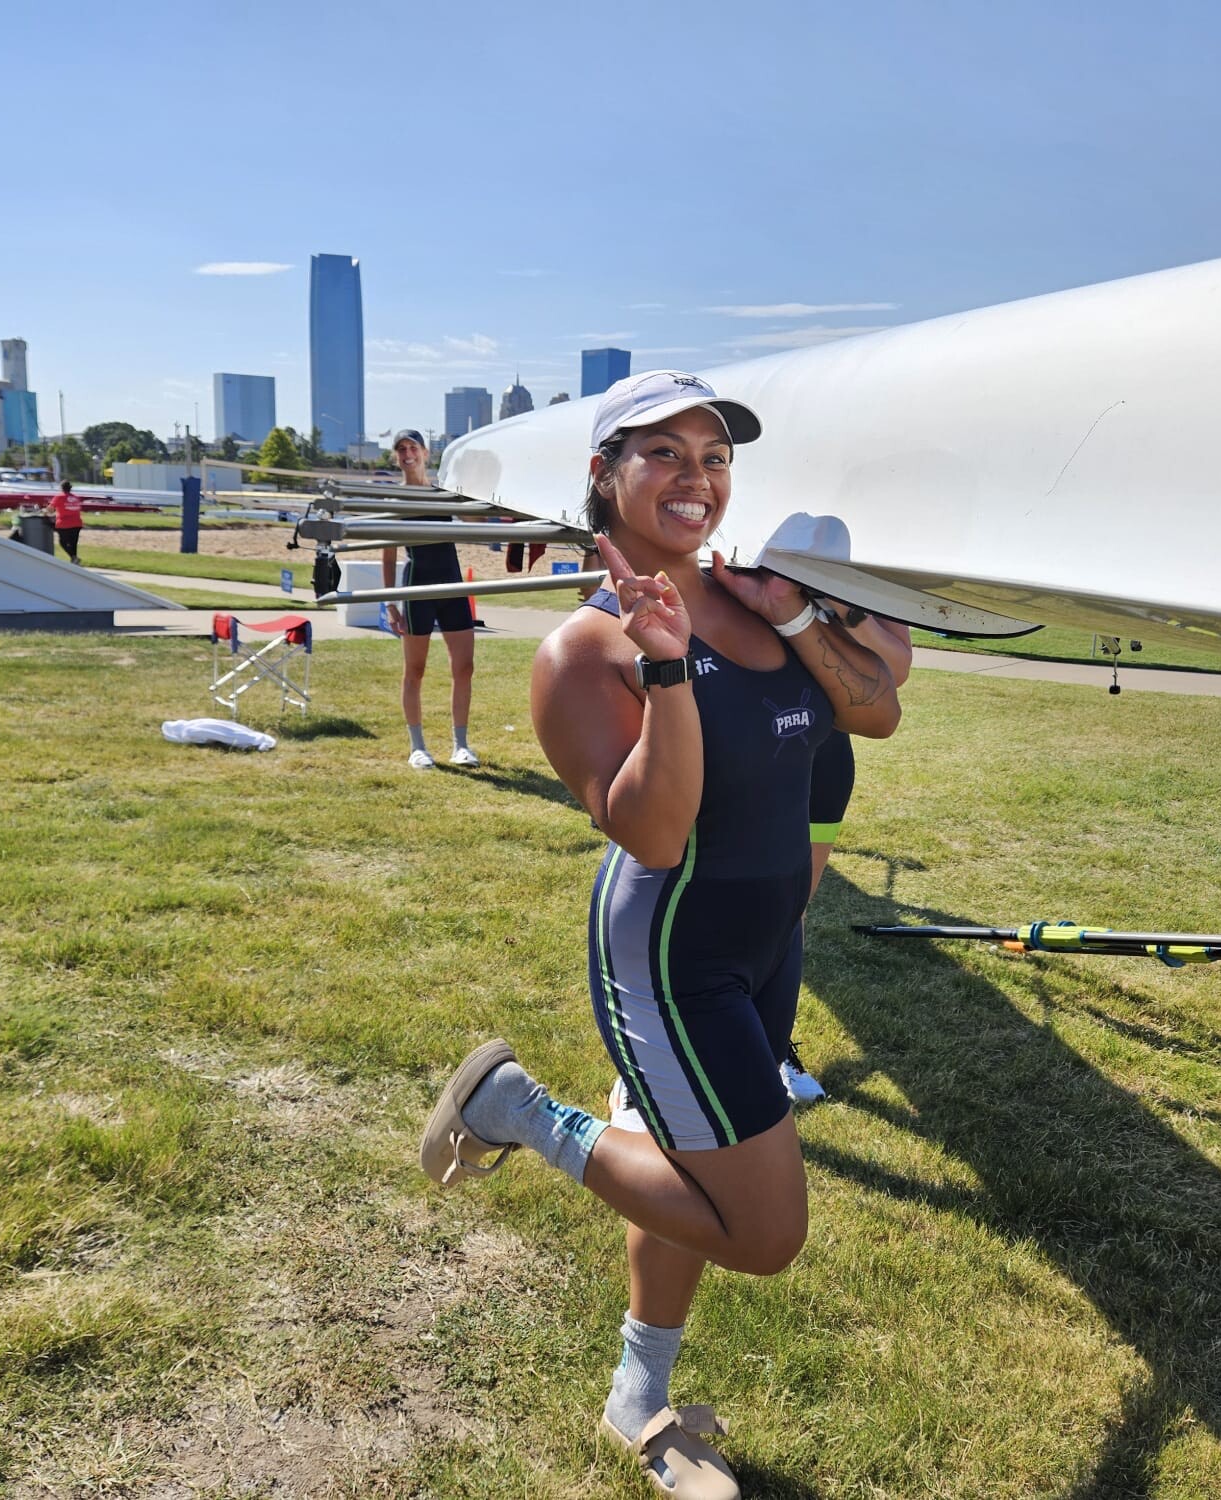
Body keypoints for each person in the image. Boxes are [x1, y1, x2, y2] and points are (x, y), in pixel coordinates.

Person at [417, 370, 902, 1499]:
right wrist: (670, 665)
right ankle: (516, 1111)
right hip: (673, 957)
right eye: (665, 455)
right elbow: (653, 828)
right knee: (762, 1230)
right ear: (605, 476)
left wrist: (786, 616)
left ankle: (639, 1397)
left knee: (677, 1169)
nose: (697, 480)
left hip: (769, 938)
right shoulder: (581, 652)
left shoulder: (753, 598)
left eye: (715, 458)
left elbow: (870, 710)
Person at [781, 604, 915, 1103]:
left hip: (824, 756)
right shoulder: (740, 550)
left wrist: (848, 611)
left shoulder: (864, 570)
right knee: (706, 902)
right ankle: (655, 1057)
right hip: (745, 746)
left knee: (789, 914)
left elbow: (895, 670)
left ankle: (774, 1047)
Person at [381, 430, 478, 769]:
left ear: (425, 452)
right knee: (415, 669)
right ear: (397, 457)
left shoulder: (444, 491)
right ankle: (418, 747)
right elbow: (389, 555)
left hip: (451, 583)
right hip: (416, 586)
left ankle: (461, 745)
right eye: (401, 449)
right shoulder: (396, 501)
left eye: (413, 448)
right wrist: (391, 604)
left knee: (464, 667)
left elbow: (473, 519)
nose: (408, 454)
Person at [49, 479, 84, 564]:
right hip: (77, 523)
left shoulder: (59, 497)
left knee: (62, 542)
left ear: (62, 488)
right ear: (70, 488)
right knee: (73, 543)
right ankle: (74, 560)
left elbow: (50, 509)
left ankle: (73, 557)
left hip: (64, 523)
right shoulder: (76, 497)